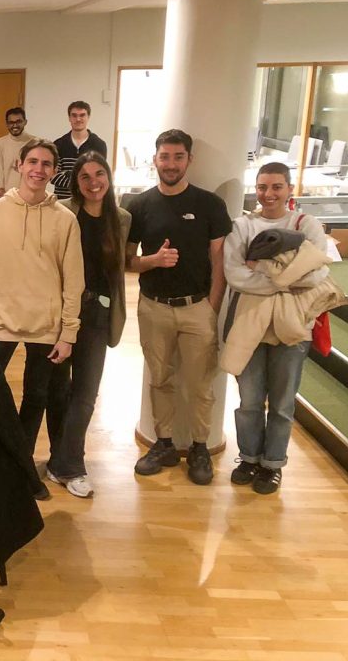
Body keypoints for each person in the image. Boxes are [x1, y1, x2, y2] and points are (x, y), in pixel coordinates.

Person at [0, 139, 83, 500]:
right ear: (19, 164)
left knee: (36, 398)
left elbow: (73, 281)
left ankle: (21, 466)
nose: (38, 169)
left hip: (46, 327)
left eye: (46, 164)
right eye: (32, 161)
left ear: (55, 171)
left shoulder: (66, 219)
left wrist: (68, 333)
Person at [127, 129, 232, 485]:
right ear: (154, 159)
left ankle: (200, 447)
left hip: (197, 308)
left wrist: (212, 307)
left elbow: (219, 261)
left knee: (202, 384)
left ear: (189, 159)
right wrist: (152, 260)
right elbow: (126, 262)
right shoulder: (138, 205)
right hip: (153, 307)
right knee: (160, 379)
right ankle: (165, 443)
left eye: (178, 157)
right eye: (165, 157)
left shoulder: (209, 205)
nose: (170, 164)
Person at [223, 162, 329, 494]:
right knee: (249, 399)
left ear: (289, 190)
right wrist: (284, 277)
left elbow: (316, 274)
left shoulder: (307, 225)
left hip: (293, 324)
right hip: (250, 324)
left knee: (282, 402)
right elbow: (234, 274)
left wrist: (263, 269)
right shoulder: (242, 226)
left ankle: (273, 465)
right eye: (263, 187)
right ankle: (249, 457)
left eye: (276, 187)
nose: (269, 194)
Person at [47, 152, 131, 498]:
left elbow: (121, 263)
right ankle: (60, 460)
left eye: (100, 174)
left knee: (85, 394)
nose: (94, 181)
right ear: (76, 182)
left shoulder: (121, 218)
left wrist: (151, 261)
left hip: (97, 313)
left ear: (108, 177)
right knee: (57, 390)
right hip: (60, 312)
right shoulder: (63, 212)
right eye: (85, 176)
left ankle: (70, 464)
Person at [52, 101, 108, 200]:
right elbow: (53, 176)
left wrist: (68, 174)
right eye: (74, 115)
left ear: (88, 117)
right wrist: (84, 179)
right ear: (69, 118)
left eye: (82, 115)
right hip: (62, 203)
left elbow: (98, 177)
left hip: (89, 202)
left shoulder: (99, 145)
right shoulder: (58, 144)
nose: (78, 119)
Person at [0, 107, 36, 198]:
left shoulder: (35, 142)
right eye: (11, 122)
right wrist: (0, 198)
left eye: (18, 121)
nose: (15, 125)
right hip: (7, 196)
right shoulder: (0, 144)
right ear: (7, 124)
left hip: (30, 195)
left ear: (25, 122)